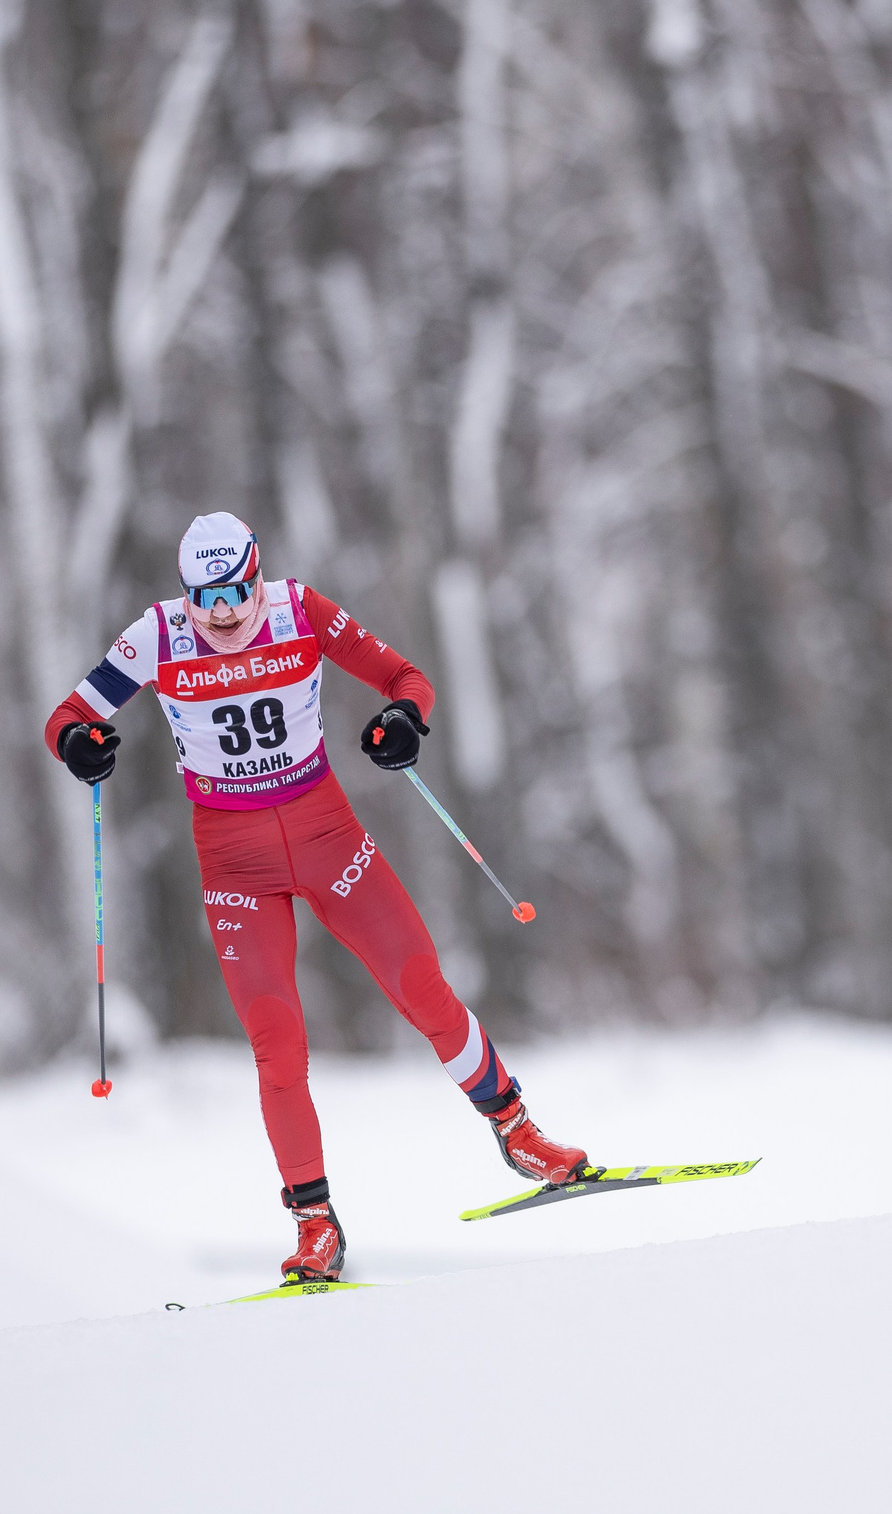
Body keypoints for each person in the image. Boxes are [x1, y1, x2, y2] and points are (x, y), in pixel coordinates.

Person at [42, 511, 589, 1285]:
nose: (225, 611)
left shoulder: (301, 610)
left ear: (258, 575)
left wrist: (404, 719)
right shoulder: (157, 636)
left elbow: (409, 680)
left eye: (237, 590)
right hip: (234, 861)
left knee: (420, 985)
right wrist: (78, 743)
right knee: (276, 1039)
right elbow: (67, 715)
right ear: (185, 593)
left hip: (326, 832)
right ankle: (314, 1222)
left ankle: (518, 1130)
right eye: (206, 596)